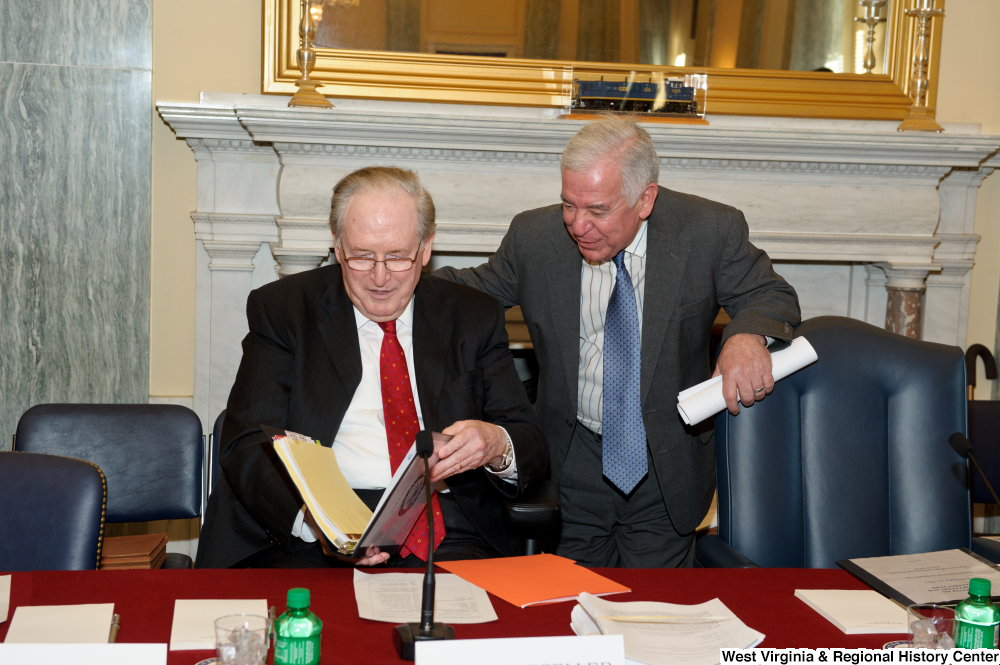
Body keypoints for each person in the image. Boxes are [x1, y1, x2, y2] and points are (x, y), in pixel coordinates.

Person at [436, 116, 800, 568]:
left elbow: (771, 293)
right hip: (571, 459)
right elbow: (467, 295)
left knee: (655, 614)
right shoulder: (535, 237)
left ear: (645, 199)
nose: (578, 225)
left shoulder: (708, 231)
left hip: (666, 461)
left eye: (598, 210)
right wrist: (396, 272)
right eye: (569, 204)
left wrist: (745, 335)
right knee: (570, 608)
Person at [196, 166, 548, 569]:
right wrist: (317, 523)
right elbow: (247, 443)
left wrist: (495, 443)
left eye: (397, 257)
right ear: (338, 246)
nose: (380, 278)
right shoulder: (284, 310)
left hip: (443, 522)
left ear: (426, 248)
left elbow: (529, 440)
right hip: (312, 526)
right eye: (362, 256)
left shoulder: (471, 316)